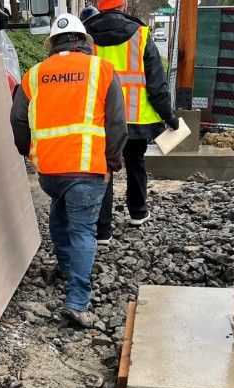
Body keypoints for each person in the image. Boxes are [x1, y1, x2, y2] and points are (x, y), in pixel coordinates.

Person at [11, 13, 128, 328]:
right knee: (83, 230)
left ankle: (65, 266)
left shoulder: (34, 75)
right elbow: (117, 121)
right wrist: (112, 162)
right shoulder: (101, 70)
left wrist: (26, 151)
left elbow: (18, 119)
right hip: (87, 170)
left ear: (51, 44)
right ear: (84, 42)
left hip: (50, 172)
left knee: (59, 214)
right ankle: (77, 301)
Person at [83, 0, 179, 243]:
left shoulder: (86, 37)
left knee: (104, 169)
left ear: (100, 6)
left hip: (100, 119)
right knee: (135, 163)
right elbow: (156, 86)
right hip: (135, 119)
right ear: (124, 7)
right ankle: (138, 212)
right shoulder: (141, 35)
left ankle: (102, 230)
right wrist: (169, 117)